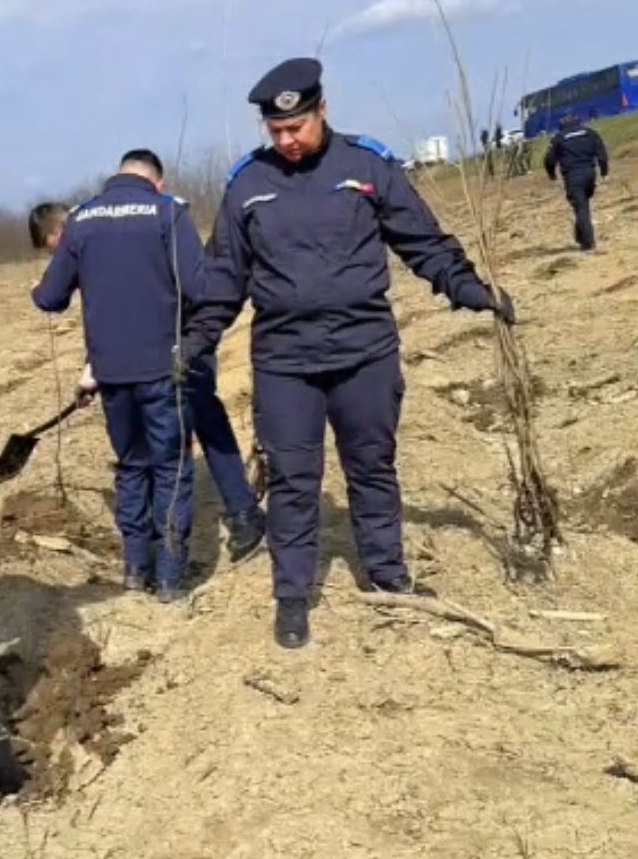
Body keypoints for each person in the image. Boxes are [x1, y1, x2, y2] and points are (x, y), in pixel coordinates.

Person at [183, 57, 516, 650]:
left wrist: (469, 289)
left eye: (296, 127)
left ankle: (388, 575)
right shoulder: (247, 184)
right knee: (293, 479)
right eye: (276, 131)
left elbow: (422, 242)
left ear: (323, 110)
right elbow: (224, 278)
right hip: (286, 363)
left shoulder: (367, 166)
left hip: (365, 354)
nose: (287, 140)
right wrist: (194, 340)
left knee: (372, 467)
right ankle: (293, 596)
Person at [27, 200, 267, 564]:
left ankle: (242, 513)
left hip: (183, 336)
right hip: (148, 349)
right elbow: (112, 313)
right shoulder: (104, 226)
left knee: (201, 416)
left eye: (53, 250)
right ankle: (158, 541)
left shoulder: (102, 227)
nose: (58, 259)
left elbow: (134, 301)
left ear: (59, 230)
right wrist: (96, 370)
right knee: (159, 438)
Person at [31, 150, 205, 601]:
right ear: (156, 182)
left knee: (131, 464)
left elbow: (50, 298)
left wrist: (41, 290)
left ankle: (134, 568)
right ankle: (169, 577)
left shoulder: (81, 220)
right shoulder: (168, 212)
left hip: (110, 372)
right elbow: (200, 288)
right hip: (163, 366)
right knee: (171, 466)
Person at [544, 113, 609, 252]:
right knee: (583, 204)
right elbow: (602, 153)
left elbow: (549, 159)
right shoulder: (590, 133)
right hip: (590, 174)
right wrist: (604, 171)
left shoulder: (559, 138)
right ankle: (581, 235)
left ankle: (588, 244)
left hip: (573, 176)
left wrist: (552, 175)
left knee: (581, 208)